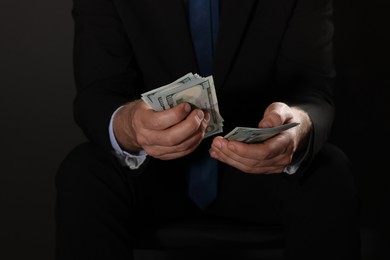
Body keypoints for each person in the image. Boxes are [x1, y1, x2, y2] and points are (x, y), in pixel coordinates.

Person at [55, 0, 361, 259]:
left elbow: (313, 93)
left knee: (330, 171)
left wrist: (296, 127)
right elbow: (97, 94)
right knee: (84, 170)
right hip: (153, 173)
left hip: (260, 172)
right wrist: (131, 126)